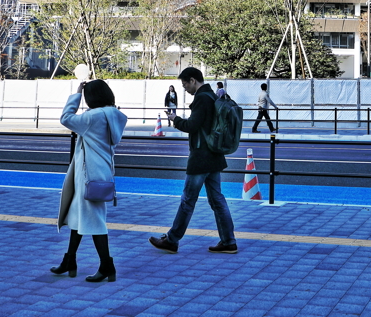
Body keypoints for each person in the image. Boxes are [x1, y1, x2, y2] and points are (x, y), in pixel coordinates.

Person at [149, 67, 237, 254]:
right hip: (214, 155)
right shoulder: (213, 96)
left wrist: (175, 119)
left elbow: (192, 125)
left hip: (201, 156)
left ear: (192, 80)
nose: (185, 89)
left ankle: (172, 240)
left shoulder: (202, 98)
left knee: (188, 200)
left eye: (185, 84)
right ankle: (229, 241)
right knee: (217, 200)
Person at [52, 79, 128, 283]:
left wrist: (76, 94)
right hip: (99, 174)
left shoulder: (92, 117)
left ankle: (107, 265)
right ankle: (70, 260)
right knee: (78, 216)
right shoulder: (113, 116)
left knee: (95, 221)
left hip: (88, 177)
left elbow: (66, 118)